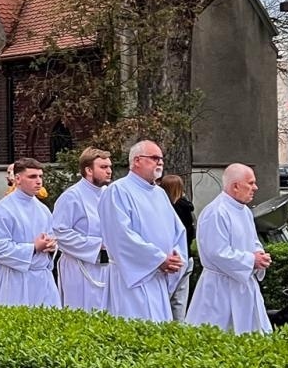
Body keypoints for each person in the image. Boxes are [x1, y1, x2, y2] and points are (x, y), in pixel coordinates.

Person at [98, 141, 188, 323]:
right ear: (137, 161)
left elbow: (178, 231)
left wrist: (175, 258)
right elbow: (121, 237)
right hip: (131, 279)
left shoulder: (160, 194)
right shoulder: (118, 191)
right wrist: (159, 259)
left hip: (159, 277)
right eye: (155, 158)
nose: (160, 163)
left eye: (161, 159)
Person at [185, 164, 272, 335]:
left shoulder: (244, 211)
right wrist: (250, 260)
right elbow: (217, 253)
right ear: (235, 186)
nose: (255, 187)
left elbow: (253, 241)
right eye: (251, 183)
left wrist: (259, 256)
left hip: (244, 283)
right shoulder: (216, 212)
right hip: (220, 288)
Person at [0, 159, 60, 308]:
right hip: (13, 279)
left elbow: (51, 237)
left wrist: (51, 246)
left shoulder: (43, 209)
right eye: (32, 177)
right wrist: (33, 248)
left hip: (42, 278)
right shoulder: (3, 210)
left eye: (40, 176)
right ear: (17, 179)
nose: (38, 181)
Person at [49, 148, 113, 312]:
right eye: (103, 167)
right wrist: (97, 244)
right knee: (82, 310)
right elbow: (59, 232)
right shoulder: (72, 196)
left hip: (107, 265)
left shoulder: (109, 194)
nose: (109, 171)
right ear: (88, 170)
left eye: (109, 167)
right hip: (78, 268)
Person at [159, 173, 197, 321]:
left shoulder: (167, 209)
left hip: (170, 259)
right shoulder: (188, 208)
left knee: (163, 301)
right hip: (186, 258)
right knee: (179, 303)